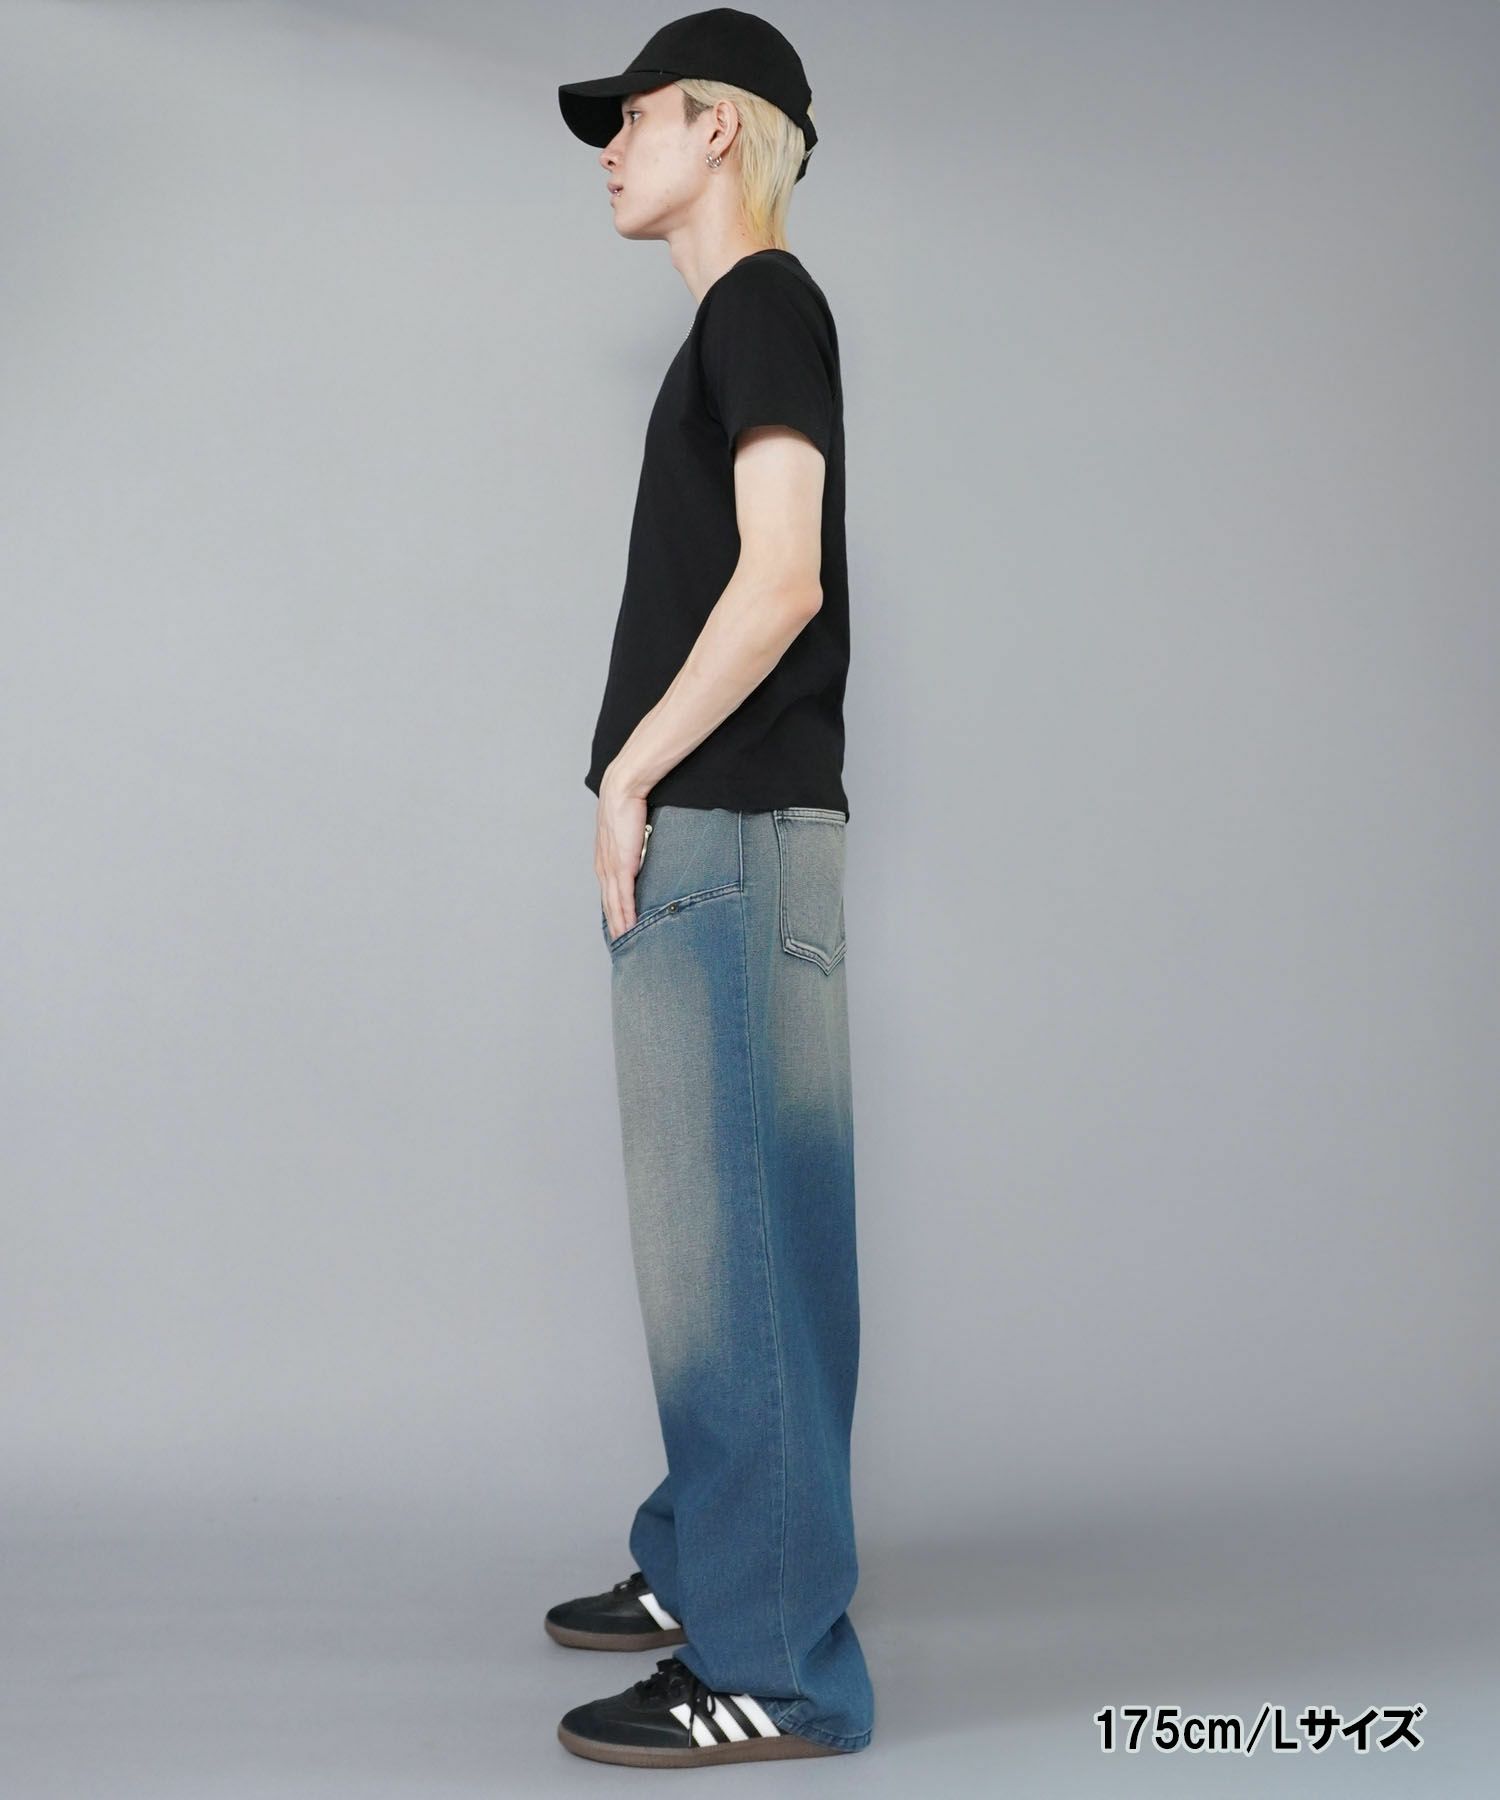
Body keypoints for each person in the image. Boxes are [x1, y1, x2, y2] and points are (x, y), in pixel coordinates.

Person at [547, 8, 873, 1768]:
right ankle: (711, 1563)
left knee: (728, 1256)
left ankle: (777, 1664)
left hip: (725, 840)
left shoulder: (758, 303)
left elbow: (782, 576)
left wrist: (631, 774)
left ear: (720, 128)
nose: (611, 149)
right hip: (759, 839)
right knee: (749, 1247)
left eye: (635, 118)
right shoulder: (750, 319)